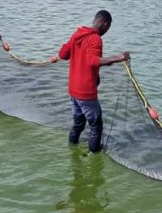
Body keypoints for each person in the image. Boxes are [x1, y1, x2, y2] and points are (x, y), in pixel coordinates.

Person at [49, 10, 130, 153]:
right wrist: (118, 58)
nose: (107, 30)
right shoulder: (95, 39)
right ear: (105, 24)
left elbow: (63, 54)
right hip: (86, 92)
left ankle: (72, 149)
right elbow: (93, 61)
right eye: (109, 27)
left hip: (73, 90)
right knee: (96, 127)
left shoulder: (77, 34)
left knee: (78, 124)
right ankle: (95, 156)